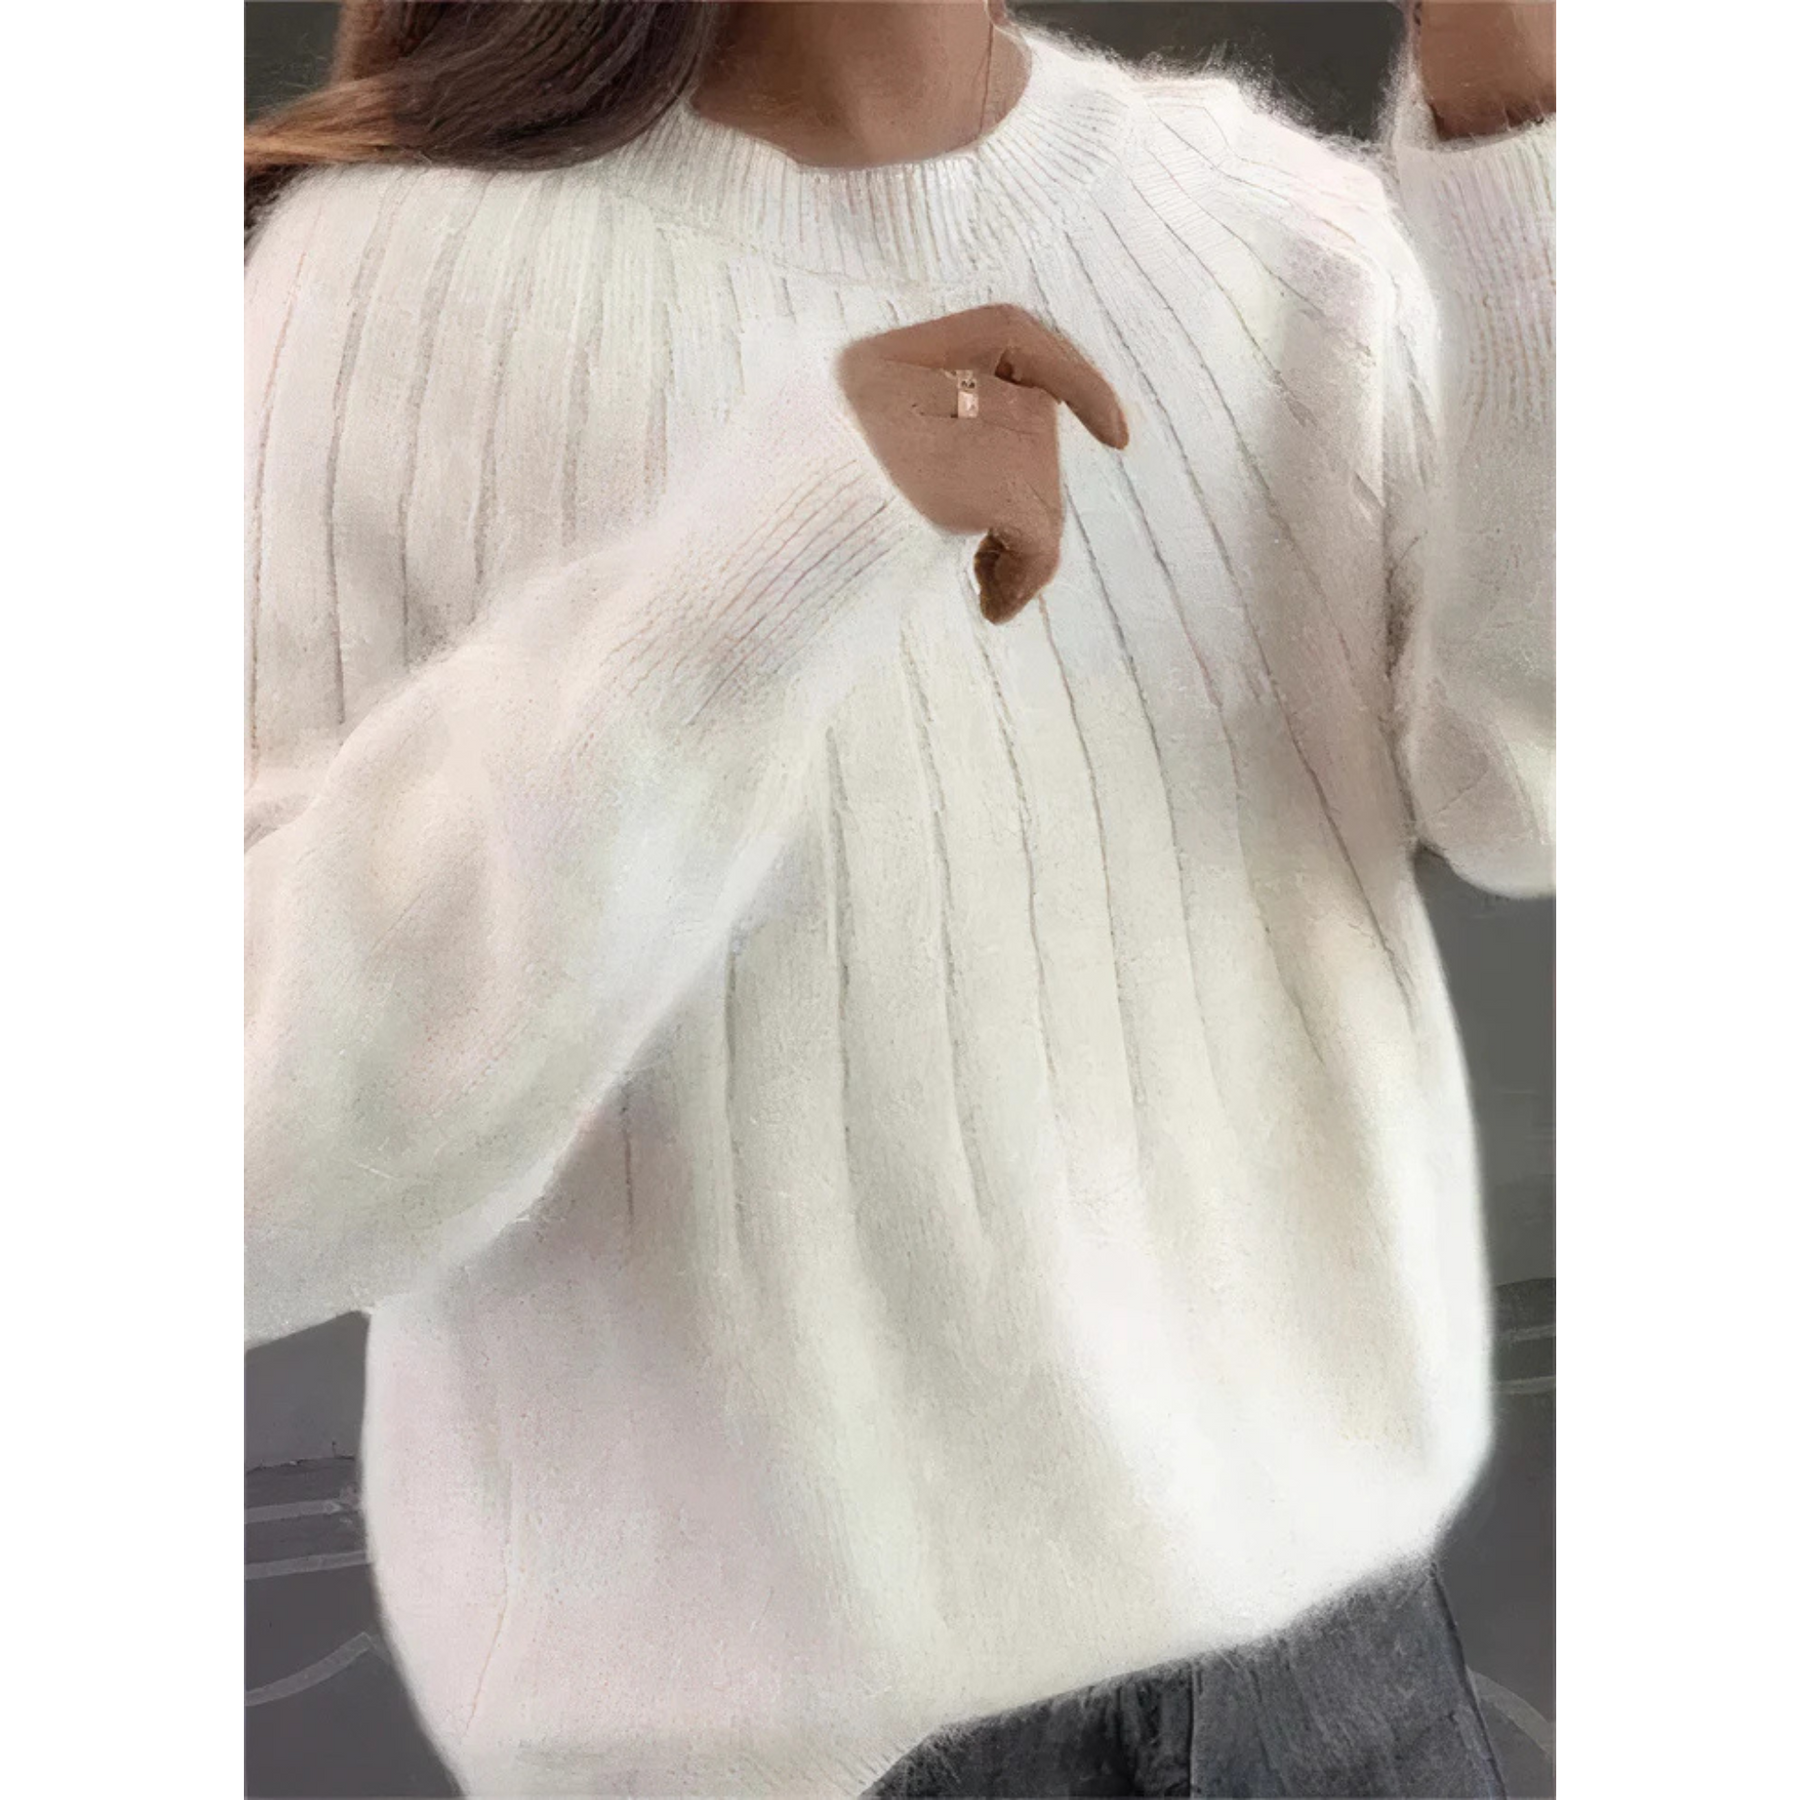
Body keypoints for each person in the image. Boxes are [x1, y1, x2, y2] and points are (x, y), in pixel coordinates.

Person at [244, 1, 1554, 1793]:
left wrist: (1519, 137)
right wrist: (767, 564)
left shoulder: (1282, 229)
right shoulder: (377, 291)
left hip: (1343, 1687)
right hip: (782, 1758)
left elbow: (1533, 792)